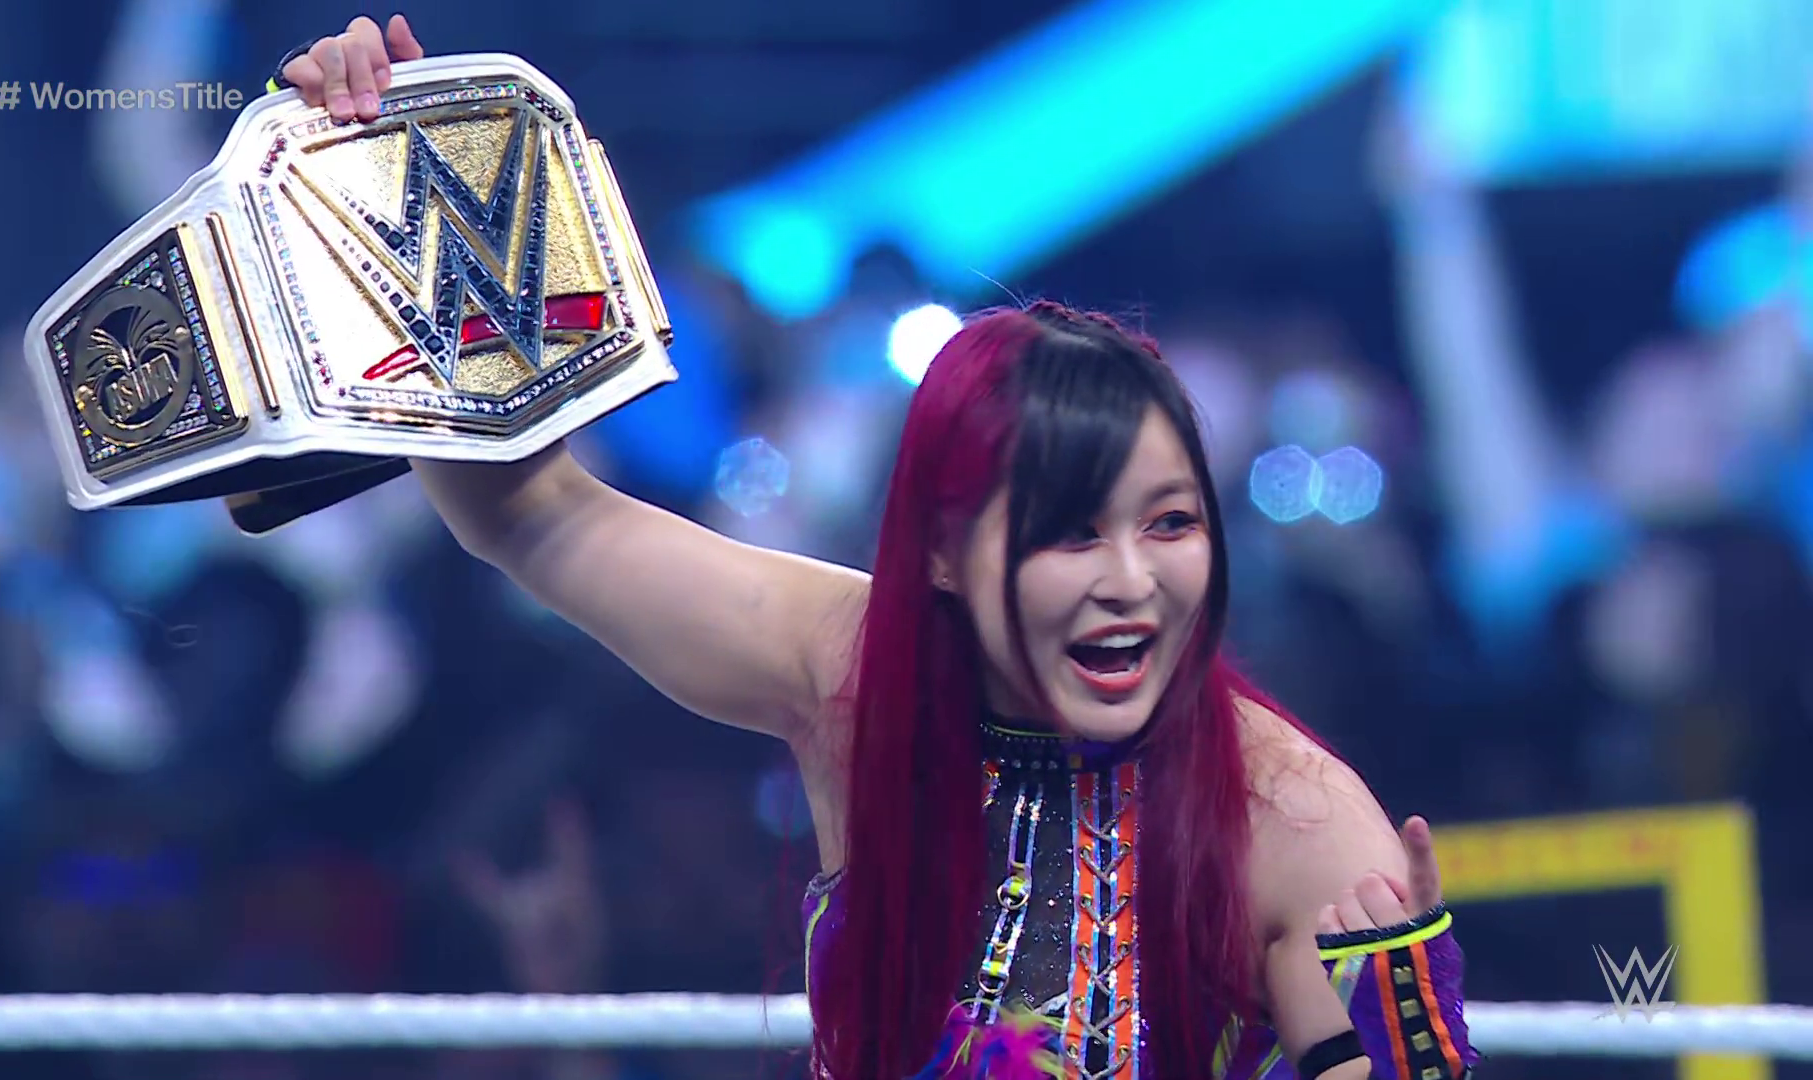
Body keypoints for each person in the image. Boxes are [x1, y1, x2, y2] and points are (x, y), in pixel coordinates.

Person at [271, 18, 1480, 1079]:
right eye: (1070, 533)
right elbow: (528, 512)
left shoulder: (1299, 822)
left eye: (1171, 524)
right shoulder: (851, 671)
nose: (1132, 582)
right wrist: (398, 173)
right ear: (944, 551)